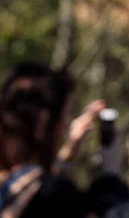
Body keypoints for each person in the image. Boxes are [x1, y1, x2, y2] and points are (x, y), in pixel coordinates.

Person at [0, 62, 89, 218]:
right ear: (49, 125)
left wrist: (66, 157)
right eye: (63, 117)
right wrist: (111, 179)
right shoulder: (56, 197)